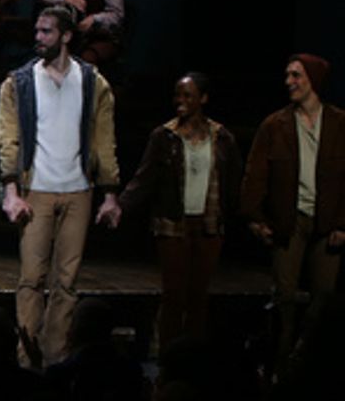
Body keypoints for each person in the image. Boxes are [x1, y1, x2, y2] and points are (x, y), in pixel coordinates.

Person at [0, 6, 121, 368]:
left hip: (78, 189)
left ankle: (55, 359)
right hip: (37, 189)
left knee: (66, 281)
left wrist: (110, 193)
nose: (38, 38)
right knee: (31, 278)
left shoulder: (92, 81)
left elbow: (103, 140)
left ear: (66, 36)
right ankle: (25, 358)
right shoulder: (18, 82)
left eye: (47, 31)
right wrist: (10, 191)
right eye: (37, 31)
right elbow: (8, 140)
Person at [118, 73, 241, 350]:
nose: (180, 101)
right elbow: (144, 177)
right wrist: (120, 206)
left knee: (199, 295)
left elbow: (233, 182)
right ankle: (167, 354)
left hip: (208, 224)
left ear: (203, 99)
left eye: (188, 95)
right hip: (173, 224)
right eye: (178, 95)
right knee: (174, 294)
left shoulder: (222, 138)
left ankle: (193, 356)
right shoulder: (165, 136)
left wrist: (248, 218)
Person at [241, 54, 344, 368]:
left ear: (313, 79)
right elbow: (255, 174)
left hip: (328, 224)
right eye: (288, 75)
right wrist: (255, 218)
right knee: (284, 297)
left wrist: (343, 223)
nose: (289, 82)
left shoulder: (339, 123)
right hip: (291, 220)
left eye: (296, 76)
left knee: (323, 299)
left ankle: (311, 361)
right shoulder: (276, 125)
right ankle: (282, 363)